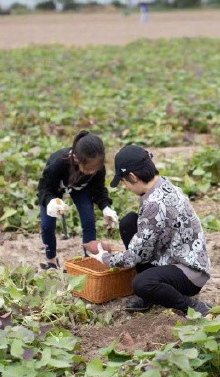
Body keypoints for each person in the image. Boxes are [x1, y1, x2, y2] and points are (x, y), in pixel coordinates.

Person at [84, 145, 211, 316]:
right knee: (129, 221)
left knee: (141, 283)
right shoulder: (162, 184)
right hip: (175, 255)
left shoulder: (155, 204)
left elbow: (135, 255)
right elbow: (145, 242)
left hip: (189, 273)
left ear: (133, 177)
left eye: (124, 181)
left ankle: (192, 307)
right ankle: (152, 295)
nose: (126, 186)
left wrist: (105, 258)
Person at [37, 130, 119, 269]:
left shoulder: (97, 168)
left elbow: (98, 190)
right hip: (53, 190)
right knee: (47, 225)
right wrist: (50, 201)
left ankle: (90, 260)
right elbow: (44, 188)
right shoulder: (58, 164)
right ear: (76, 159)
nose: (92, 172)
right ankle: (51, 261)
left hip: (80, 189)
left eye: (95, 169)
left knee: (89, 220)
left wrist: (106, 207)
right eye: (88, 169)